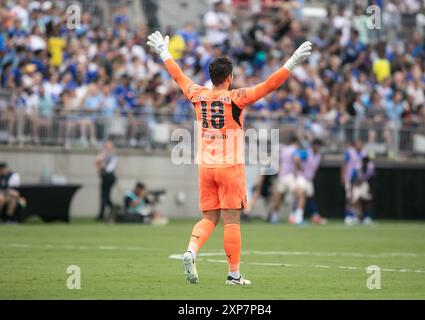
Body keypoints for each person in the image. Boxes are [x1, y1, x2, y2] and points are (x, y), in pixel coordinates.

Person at [146, 31, 312, 285]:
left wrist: (164, 52)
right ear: (229, 78)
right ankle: (233, 274)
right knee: (231, 221)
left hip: (205, 167)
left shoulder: (197, 94)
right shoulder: (235, 98)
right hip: (230, 167)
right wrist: (291, 63)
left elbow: (178, 77)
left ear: (212, 77)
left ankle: (191, 250)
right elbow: (269, 86)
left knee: (209, 217)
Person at [293, 139, 328, 225]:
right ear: (313, 145)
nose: (318, 147)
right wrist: (300, 168)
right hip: (301, 178)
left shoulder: (318, 156)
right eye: (317, 145)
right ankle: (298, 218)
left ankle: (314, 216)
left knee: (310, 198)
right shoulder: (307, 153)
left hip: (309, 179)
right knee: (301, 197)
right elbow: (296, 159)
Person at [341, 139, 373, 225]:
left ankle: (364, 217)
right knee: (350, 198)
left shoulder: (365, 155)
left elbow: (368, 171)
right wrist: (343, 177)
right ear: (354, 145)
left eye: (361, 144)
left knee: (365, 198)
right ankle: (348, 216)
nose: (360, 146)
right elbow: (344, 164)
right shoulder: (349, 152)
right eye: (358, 144)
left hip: (362, 181)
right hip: (351, 178)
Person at [95, 140, 117, 221]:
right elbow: (97, 162)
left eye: (108, 147)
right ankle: (101, 214)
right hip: (104, 177)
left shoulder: (112, 156)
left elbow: (109, 168)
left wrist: (102, 165)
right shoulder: (103, 155)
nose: (106, 148)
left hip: (109, 178)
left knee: (105, 197)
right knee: (103, 196)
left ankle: (113, 210)